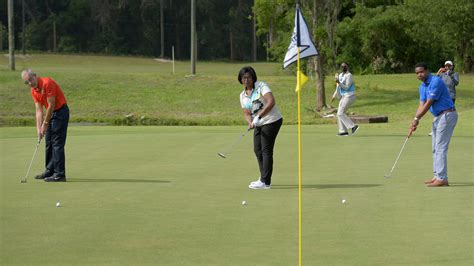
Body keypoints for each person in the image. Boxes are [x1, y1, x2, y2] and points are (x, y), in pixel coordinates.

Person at [408, 63, 457, 187]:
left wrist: (417, 118)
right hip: (438, 117)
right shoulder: (422, 87)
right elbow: (421, 104)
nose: (419, 74)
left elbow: (429, 103)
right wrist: (415, 120)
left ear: (427, 71)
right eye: (417, 73)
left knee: (440, 147)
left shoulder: (436, 81)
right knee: (435, 147)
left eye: (421, 72)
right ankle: (437, 176)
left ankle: (442, 178)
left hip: (447, 115)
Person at [238, 66, 283, 189]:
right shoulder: (242, 95)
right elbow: (247, 113)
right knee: (257, 149)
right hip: (259, 123)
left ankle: (265, 182)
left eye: (248, 77)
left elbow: (271, 101)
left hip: (272, 120)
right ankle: (263, 176)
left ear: (253, 78)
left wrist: (258, 116)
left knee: (266, 150)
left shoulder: (261, 86)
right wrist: (250, 122)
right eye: (243, 78)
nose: (246, 80)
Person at [21, 69, 70, 182]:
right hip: (51, 113)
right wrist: (39, 128)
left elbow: (51, 105)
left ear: (35, 76)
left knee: (57, 143)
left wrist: (45, 123)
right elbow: (38, 111)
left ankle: (59, 174)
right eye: (26, 82)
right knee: (48, 142)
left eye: (30, 80)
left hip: (60, 112)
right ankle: (50, 170)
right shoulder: (33, 91)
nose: (30, 83)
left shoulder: (47, 83)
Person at [331, 63, 359, 136]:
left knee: (340, 113)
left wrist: (339, 82)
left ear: (347, 67)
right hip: (344, 97)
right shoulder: (340, 75)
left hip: (349, 96)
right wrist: (334, 95)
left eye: (345, 66)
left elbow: (346, 87)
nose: (343, 67)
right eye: (342, 66)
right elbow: (338, 87)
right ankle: (343, 131)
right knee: (339, 113)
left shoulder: (349, 75)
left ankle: (353, 126)